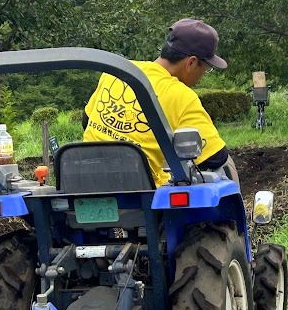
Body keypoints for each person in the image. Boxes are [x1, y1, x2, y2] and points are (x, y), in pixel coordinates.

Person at [83, 18, 234, 187]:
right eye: (206, 68)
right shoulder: (182, 96)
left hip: (83, 186)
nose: (204, 74)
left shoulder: (117, 72)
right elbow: (215, 157)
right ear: (191, 62)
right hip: (139, 199)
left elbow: (86, 121)